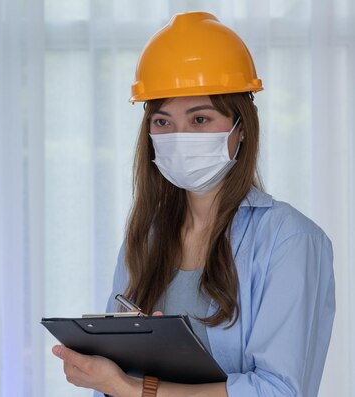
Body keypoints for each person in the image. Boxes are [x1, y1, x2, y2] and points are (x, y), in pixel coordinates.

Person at [51, 11, 335, 397]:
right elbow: (117, 376)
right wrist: (100, 373)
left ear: (241, 130)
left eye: (200, 119)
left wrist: (136, 389)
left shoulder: (289, 239)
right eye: (163, 122)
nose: (178, 137)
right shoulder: (146, 237)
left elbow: (278, 390)